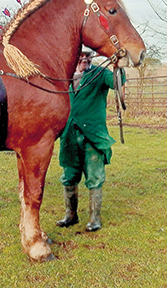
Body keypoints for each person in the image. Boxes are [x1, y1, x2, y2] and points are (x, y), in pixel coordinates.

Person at [56, 46, 125, 231]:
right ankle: (71, 216)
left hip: (93, 136)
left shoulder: (100, 74)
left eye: (88, 56)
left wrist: (118, 65)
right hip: (69, 135)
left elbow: (117, 82)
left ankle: (95, 219)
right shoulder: (64, 75)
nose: (84, 59)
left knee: (95, 178)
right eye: (81, 56)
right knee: (69, 176)